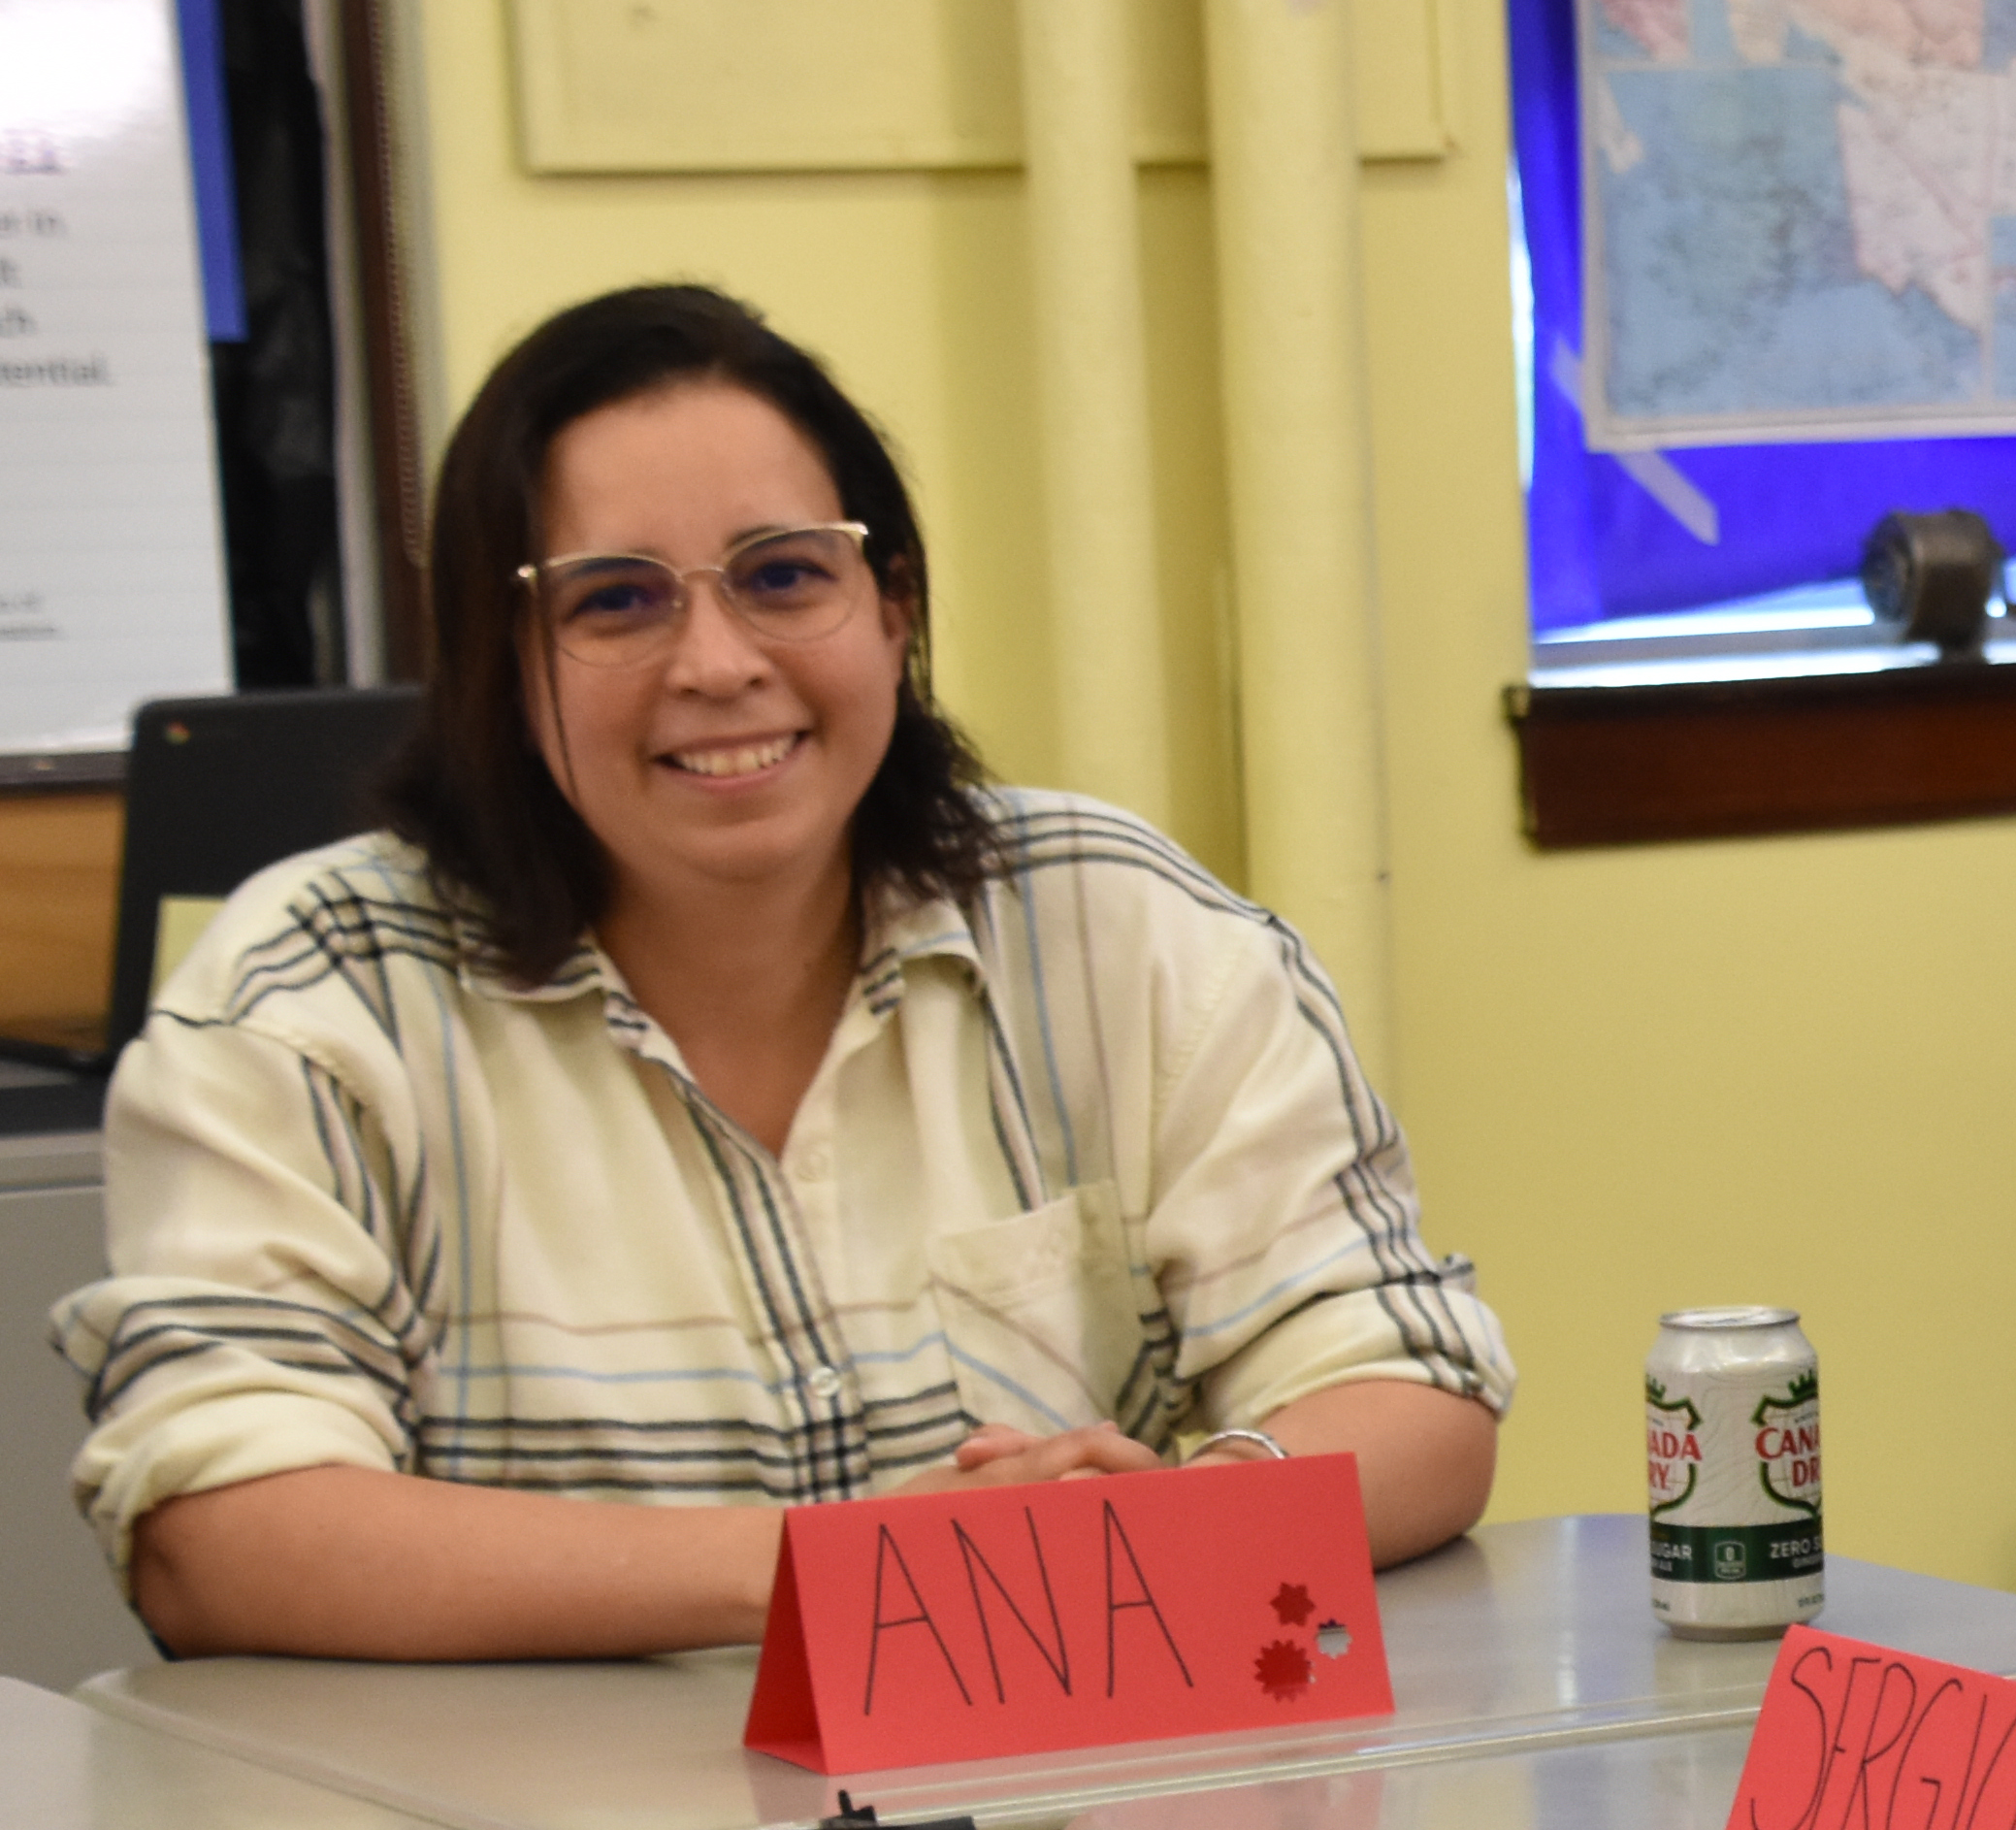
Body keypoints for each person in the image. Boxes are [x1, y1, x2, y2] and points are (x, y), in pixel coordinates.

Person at [54, 284, 1515, 1661]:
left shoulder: (1113, 923)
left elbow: (1412, 1391)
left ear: (891, 608)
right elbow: (217, 1530)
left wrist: (1179, 1523)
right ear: (504, 663)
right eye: (615, 602)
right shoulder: (310, 1000)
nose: (718, 661)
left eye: (782, 576)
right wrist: (856, 1573)